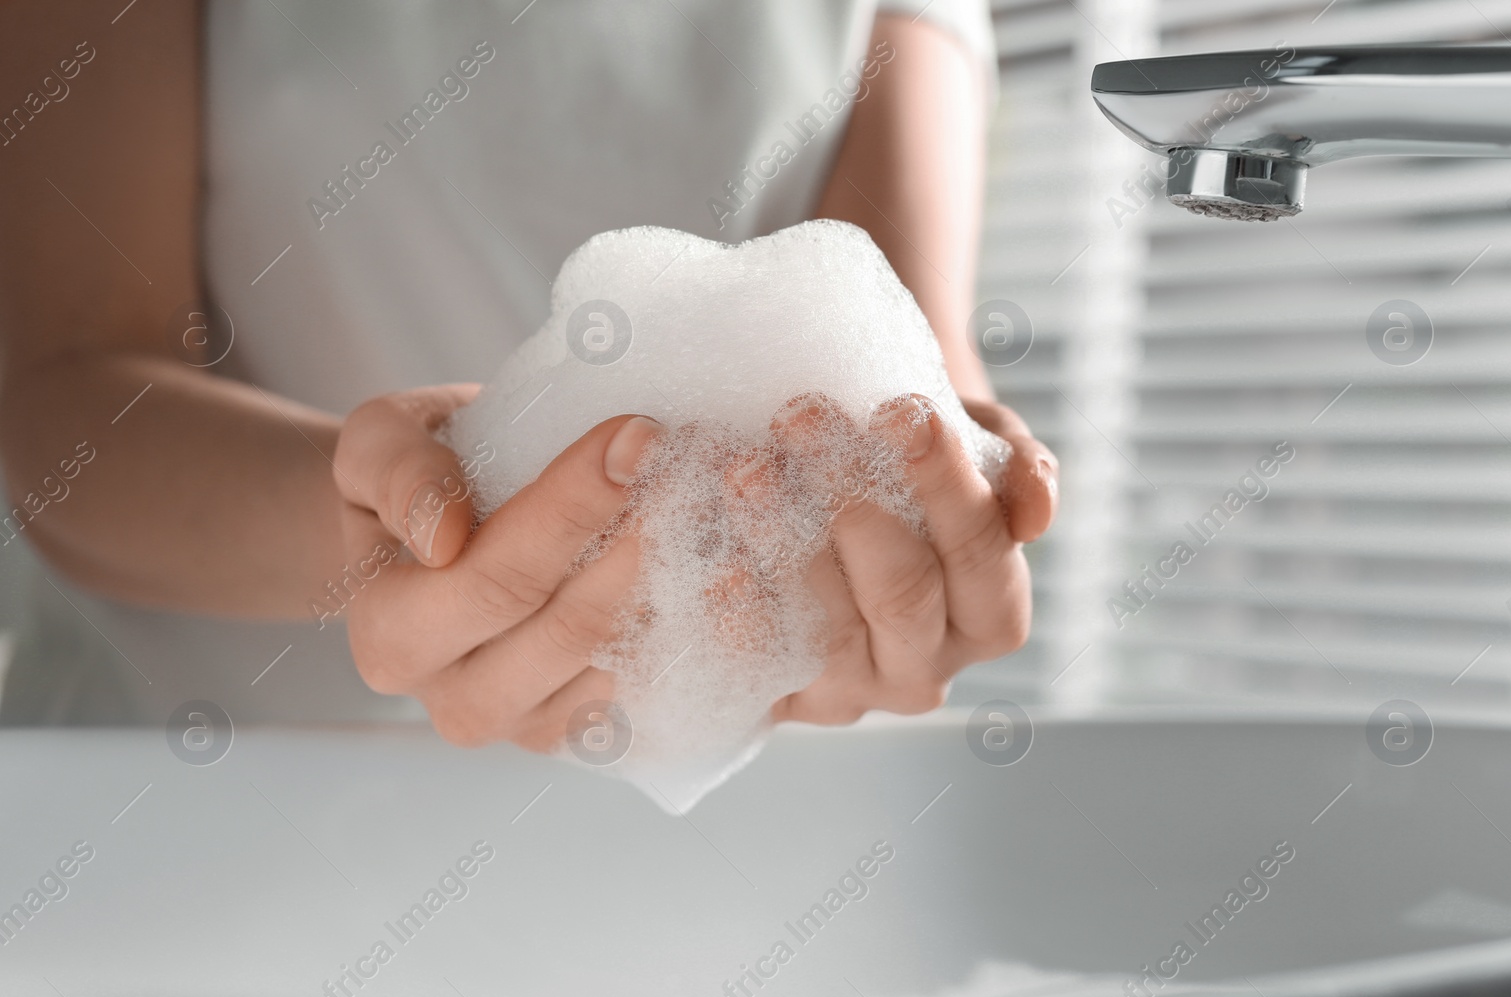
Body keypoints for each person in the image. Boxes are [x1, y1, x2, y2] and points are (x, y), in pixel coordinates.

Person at [0, 0, 1057, 748]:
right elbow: (66, 386)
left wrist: (942, 538)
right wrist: (388, 535)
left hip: (735, 829)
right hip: (203, 814)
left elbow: (904, 366)